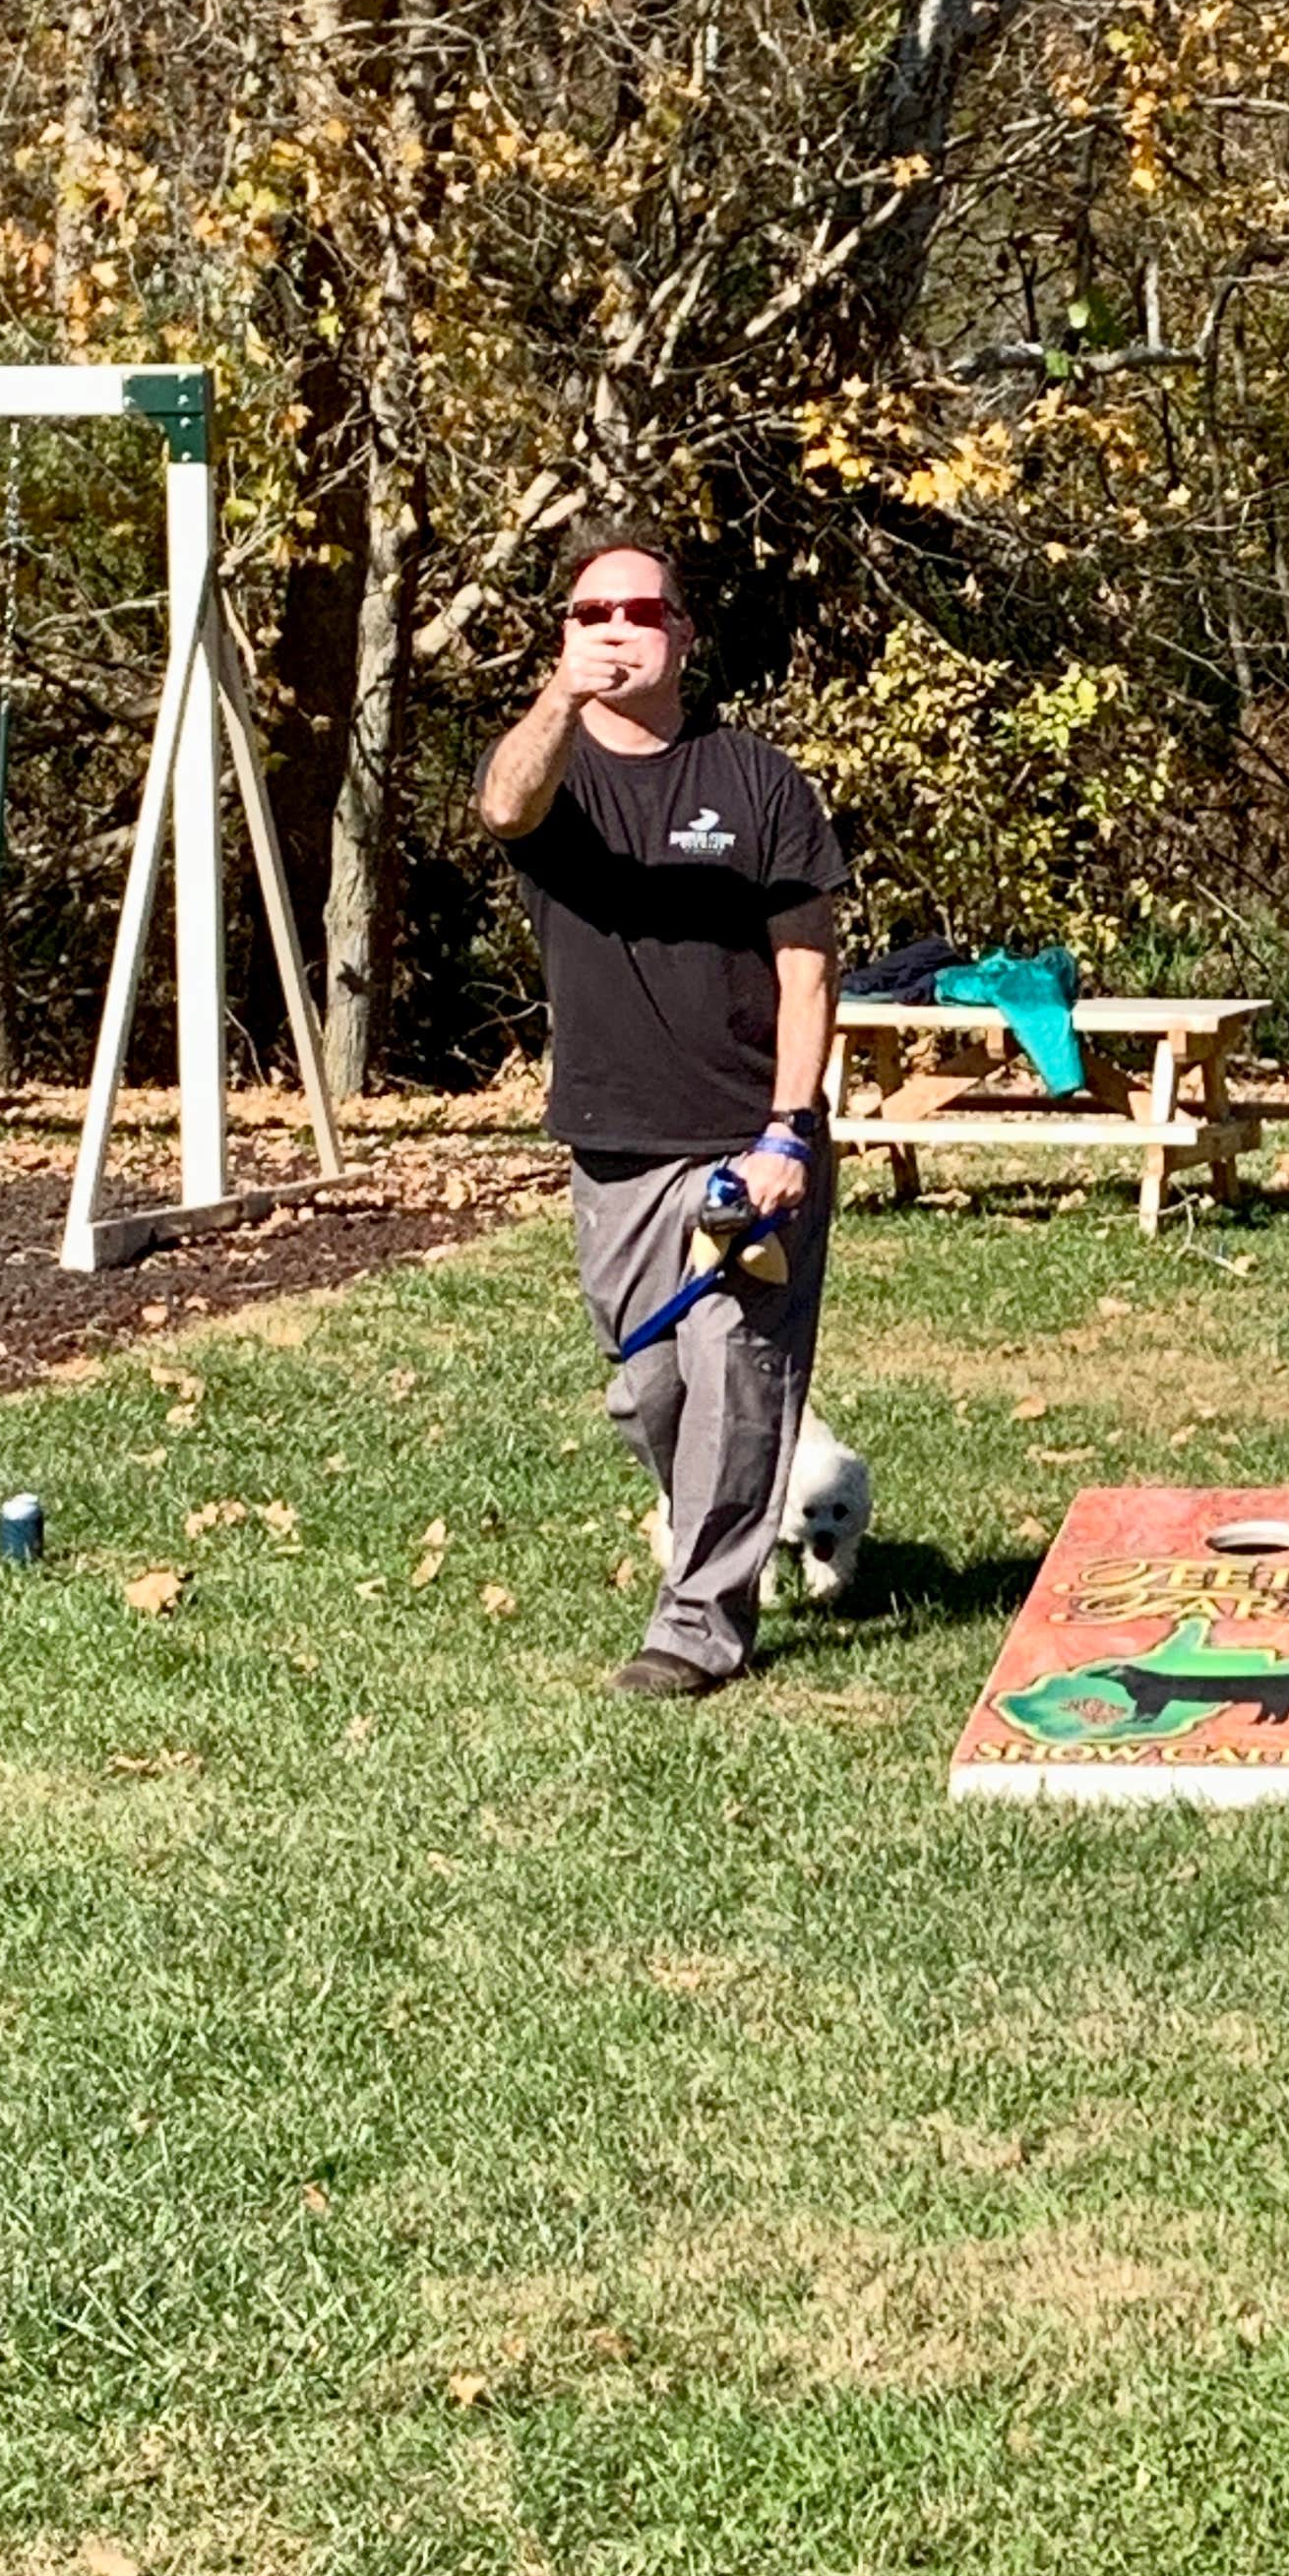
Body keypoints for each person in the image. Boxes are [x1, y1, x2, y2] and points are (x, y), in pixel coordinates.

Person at [478, 518, 845, 1699]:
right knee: (651, 1388)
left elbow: (809, 968)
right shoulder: (554, 778)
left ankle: (697, 1627)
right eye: (594, 615)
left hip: (748, 1141)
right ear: (565, 637)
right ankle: (772, 1501)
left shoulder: (756, 780)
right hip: (613, 1145)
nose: (619, 631)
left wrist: (792, 1127)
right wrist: (555, 701)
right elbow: (500, 810)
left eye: (644, 613)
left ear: (685, 636)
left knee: (735, 1375)